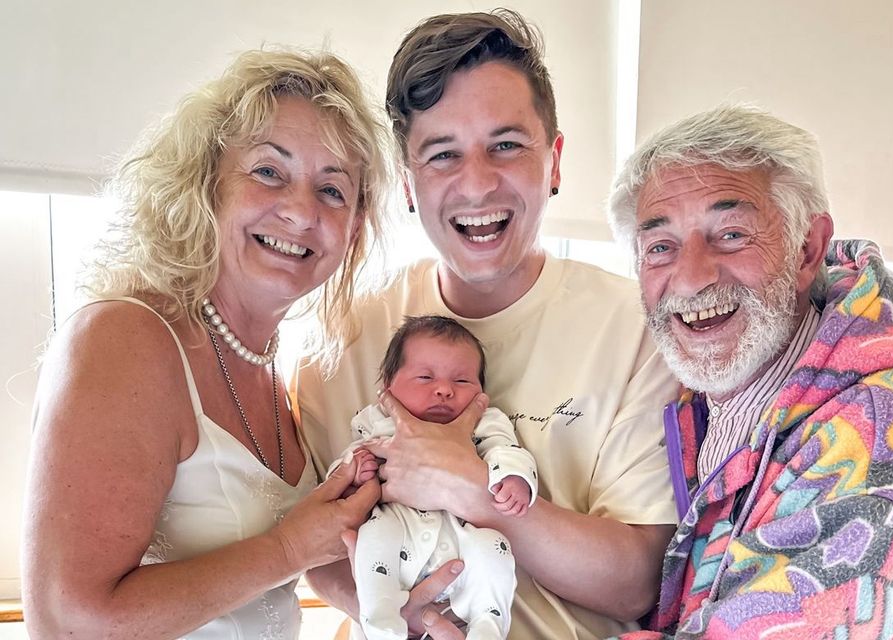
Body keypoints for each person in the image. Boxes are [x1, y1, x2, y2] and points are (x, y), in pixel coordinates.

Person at [292, 9, 680, 640]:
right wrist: (394, 615)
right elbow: (319, 552)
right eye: (443, 154)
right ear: (409, 183)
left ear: (554, 162)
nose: (476, 185)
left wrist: (471, 488)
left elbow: (635, 580)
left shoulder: (637, 330)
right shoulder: (342, 339)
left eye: (506, 146)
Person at [21, 49, 393, 639]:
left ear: (353, 228)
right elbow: (68, 622)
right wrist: (290, 547)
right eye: (270, 171)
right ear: (205, 182)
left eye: (332, 190)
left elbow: (284, 570)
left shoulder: (274, 374)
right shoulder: (126, 336)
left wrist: (402, 608)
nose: (300, 212)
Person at [606, 104, 893, 639]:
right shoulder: (697, 392)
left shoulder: (892, 429)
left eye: (730, 234)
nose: (691, 278)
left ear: (807, 250)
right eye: (660, 246)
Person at [331, 314, 537, 640]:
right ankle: (380, 620)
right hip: (397, 527)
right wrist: (357, 470)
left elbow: (506, 450)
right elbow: (347, 461)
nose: (444, 390)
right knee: (373, 538)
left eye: (462, 381)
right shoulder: (378, 421)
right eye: (425, 377)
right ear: (387, 386)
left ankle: (488, 623)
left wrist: (515, 479)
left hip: (461, 538)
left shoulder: (486, 422)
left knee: (494, 547)